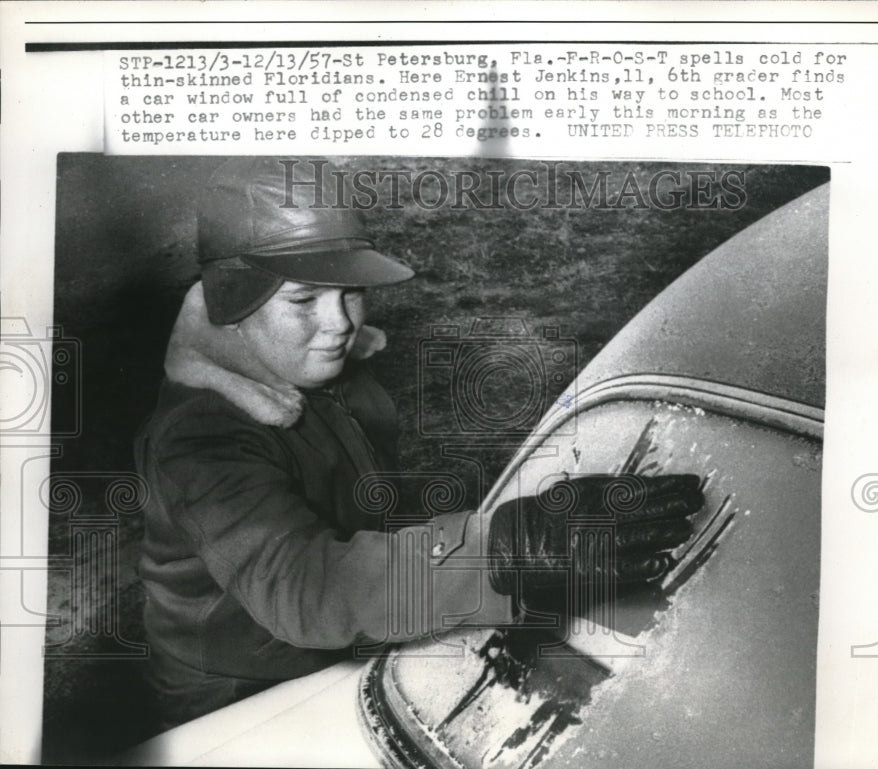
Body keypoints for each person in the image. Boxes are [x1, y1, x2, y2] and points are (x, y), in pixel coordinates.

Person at [135, 157, 704, 730]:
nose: (340, 323)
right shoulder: (201, 438)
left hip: (343, 642)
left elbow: (365, 513)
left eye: (351, 292)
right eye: (304, 301)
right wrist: (501, 552)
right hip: (240, 692)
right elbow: (304, 588)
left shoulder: (321, 372)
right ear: (235, 304)